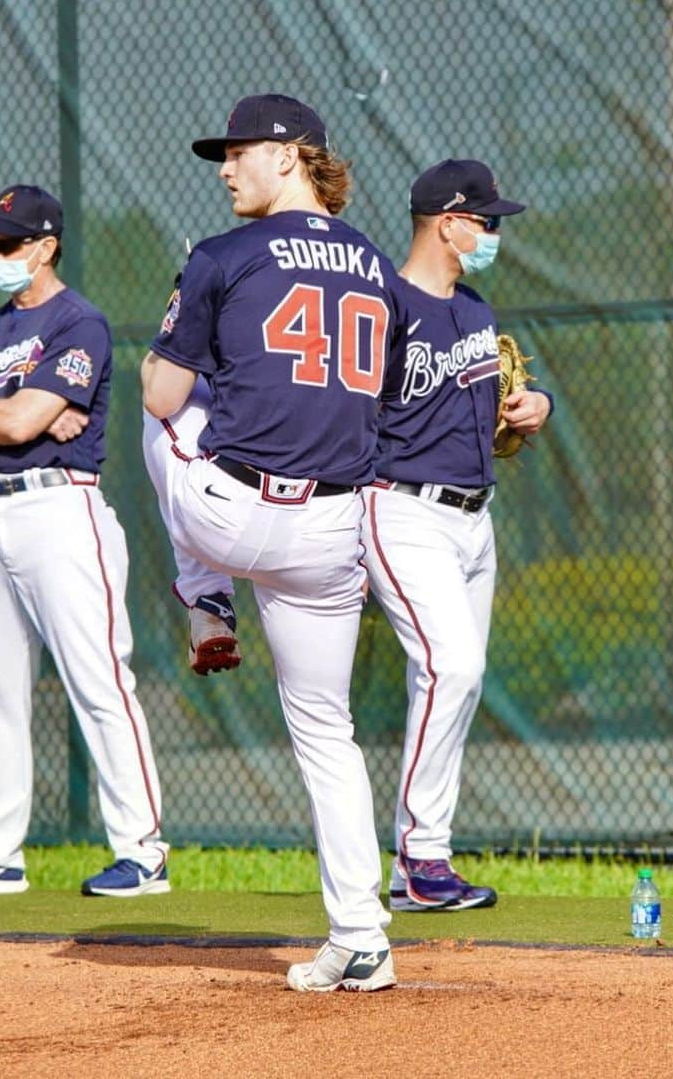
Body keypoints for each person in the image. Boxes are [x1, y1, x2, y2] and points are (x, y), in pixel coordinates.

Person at [141, 94, 405, 992]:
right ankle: (362, 936)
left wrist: (188, 329)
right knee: (328, 732)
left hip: (230, 515)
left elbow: (162, 395)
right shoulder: (375, 261)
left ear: (290, 157)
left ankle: (204, 596)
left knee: (161, 419)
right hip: (332, 535)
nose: (225, 168)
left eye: (238, 152)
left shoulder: (221, 255)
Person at [0, 184, 169, 898]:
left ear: (47, 245)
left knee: (99, 681)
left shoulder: (77, 322)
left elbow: (20, 425)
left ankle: (143, 853)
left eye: (11, 241)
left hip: (61, 512)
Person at [365, 159, 553, 912]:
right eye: (487, 221)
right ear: (449, 223)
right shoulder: (383, 307)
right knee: (456, 668)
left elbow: (500, 400)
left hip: (476, 518)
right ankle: (420, 856)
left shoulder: (475, 311)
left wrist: (533, 401)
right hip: (402, 510)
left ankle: (422, 858)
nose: (495, 234)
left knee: (446, 682)